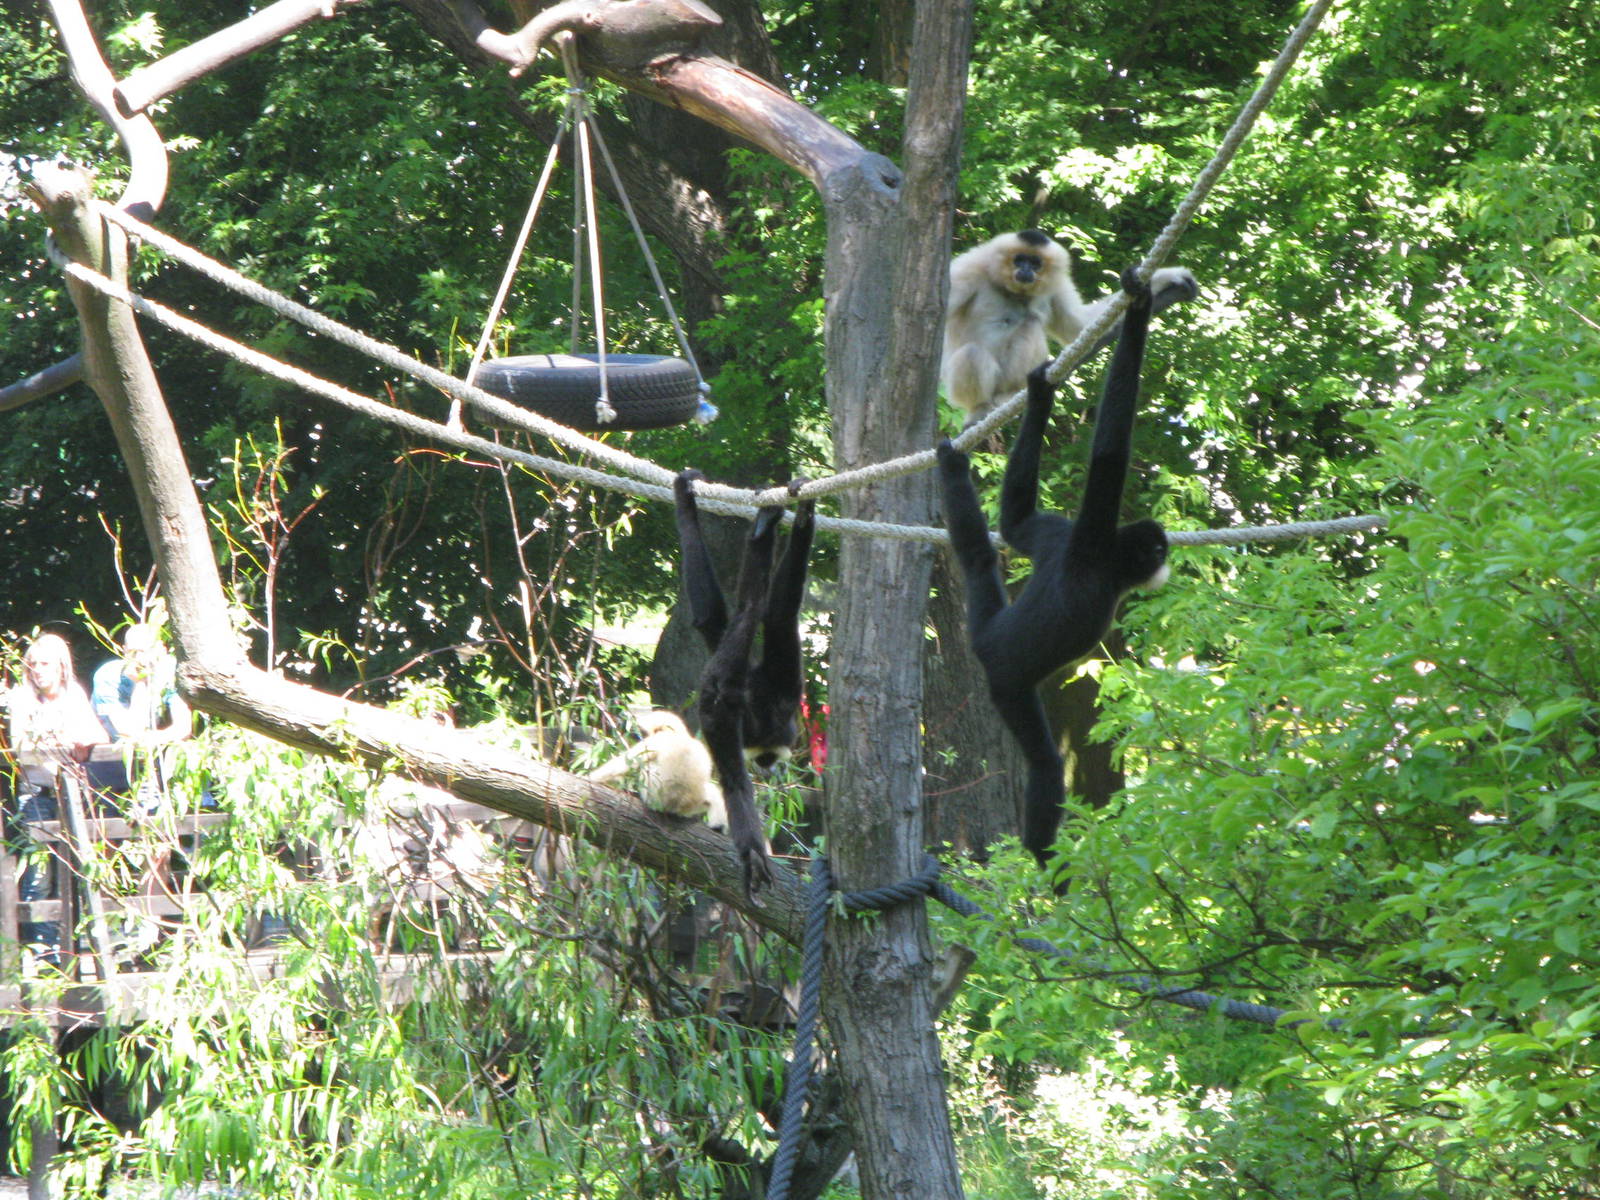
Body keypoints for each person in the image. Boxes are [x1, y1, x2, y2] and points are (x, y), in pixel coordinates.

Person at [5, 632, 109, 966]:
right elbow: (23, 748)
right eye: (32, 663)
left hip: (74, 796)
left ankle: (74, 951)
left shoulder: (73, 694)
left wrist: (81, 742)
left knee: (80, 872)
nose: (37, 670)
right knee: (39, 877)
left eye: (44, 663)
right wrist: (63, 747)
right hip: (37, 794)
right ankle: (42, 954)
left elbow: (98, 735)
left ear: (61, 666)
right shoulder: (23, 698)